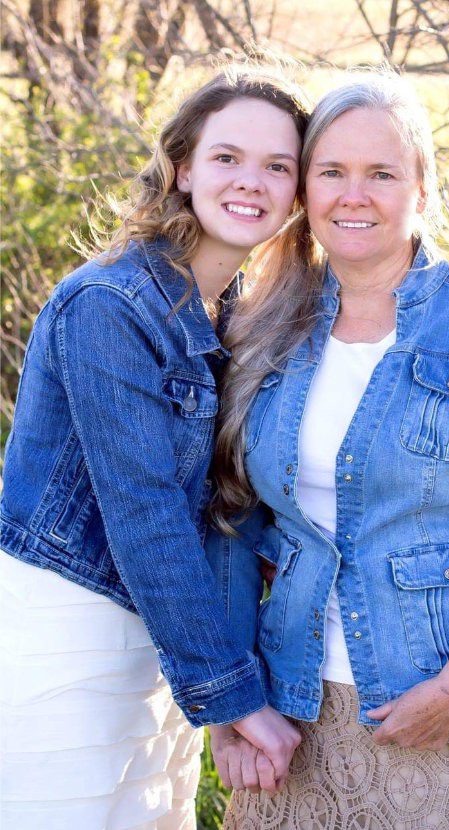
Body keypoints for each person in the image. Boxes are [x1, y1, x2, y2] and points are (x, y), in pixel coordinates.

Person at [206, 74, 449, 828]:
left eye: (381, 173)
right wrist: (230, 704)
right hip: (299, 715)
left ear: (420, 189)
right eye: (333, 172)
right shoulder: (259, 331)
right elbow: (232, 527)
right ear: (305, 192)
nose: (356, 195)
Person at [0, 66, 308, 829]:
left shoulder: (234, 313)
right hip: (67, 635)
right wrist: (235, 697)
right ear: (182, 168)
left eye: (278, 166)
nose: (252, 181)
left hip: (162, 640)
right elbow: (145, 514)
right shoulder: (107, 305)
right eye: (228, 157)